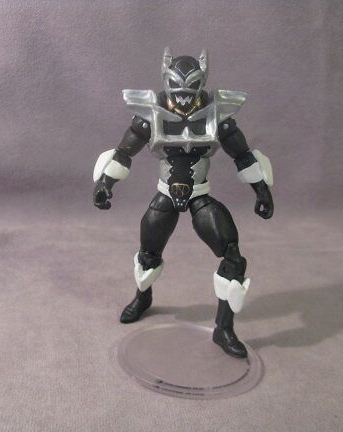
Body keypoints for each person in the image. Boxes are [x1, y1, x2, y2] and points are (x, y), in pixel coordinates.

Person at [93, 48, 274, 358]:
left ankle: (224, 329)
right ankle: (143, 297)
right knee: (148, 254)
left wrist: (261, 190)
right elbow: (124, 152)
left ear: (202, 83)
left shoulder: (218, 114)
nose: (184, 97)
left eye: (191, 90)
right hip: (165, 193)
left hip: (199, 194)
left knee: (233, 257)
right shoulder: (151, 113)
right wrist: (105, 183)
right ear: (166, 81)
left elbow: (242, 154)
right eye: (178, 89)